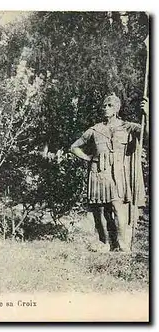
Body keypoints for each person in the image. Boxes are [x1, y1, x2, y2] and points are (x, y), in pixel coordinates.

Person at [70, 94, 148, 252]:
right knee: (100, 210)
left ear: (117, 108)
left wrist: (148, 114)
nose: (106, 108)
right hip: (98, 173)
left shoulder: (128, 127)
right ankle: (105, 242)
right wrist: (88, 158)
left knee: (117, 206)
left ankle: (122, 244)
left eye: (110, 105)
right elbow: (74, 147)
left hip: (118, 174)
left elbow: (148, 136)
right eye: (104, 106)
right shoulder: (95, 129)